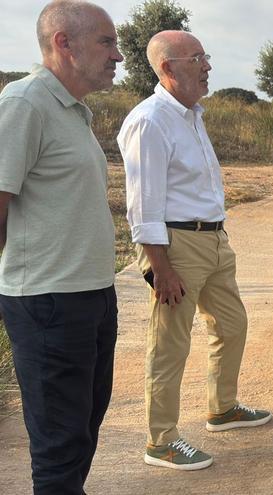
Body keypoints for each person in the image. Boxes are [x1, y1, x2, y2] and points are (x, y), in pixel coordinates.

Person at [117, 30, 269, 471]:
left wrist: (218, 235)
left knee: (233, 324)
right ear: (167, 67)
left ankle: (222, 409)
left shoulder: (191, 114)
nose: (207, 66)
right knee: (170, 343)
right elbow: (142, 205)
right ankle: (160, 440)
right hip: (176, 243)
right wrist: (160, 267)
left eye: (206, 56)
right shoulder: (150, 120)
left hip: (213, 239)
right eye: (197, 58)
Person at [0, 2, 121, 493]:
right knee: (58, 443)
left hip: (92, 294)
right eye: (107, 43)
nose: (118, 56)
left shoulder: (73, 111)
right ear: (63, 43)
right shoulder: (25, 103)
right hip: (47, 301)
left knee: (83, 429)